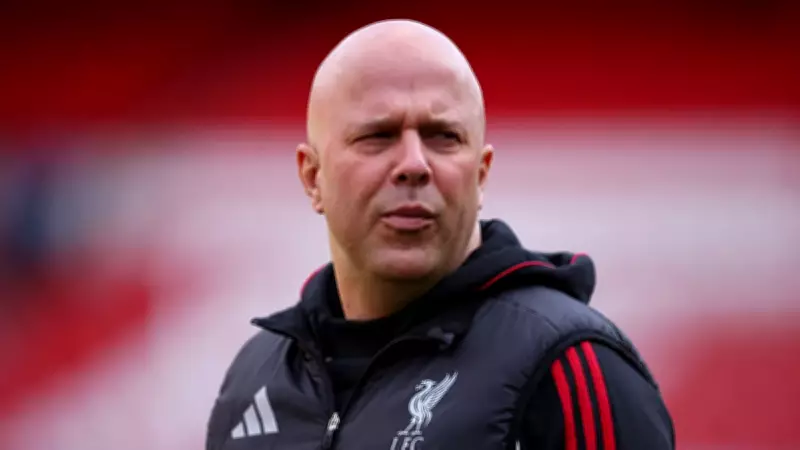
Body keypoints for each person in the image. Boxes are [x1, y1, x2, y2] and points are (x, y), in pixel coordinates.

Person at [206, 19, 674, 450]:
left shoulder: (567, 366)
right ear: (313, 177)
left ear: (481, 175)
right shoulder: (255, 380)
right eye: (378, 136)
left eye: (443, 137)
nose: (414, 164)